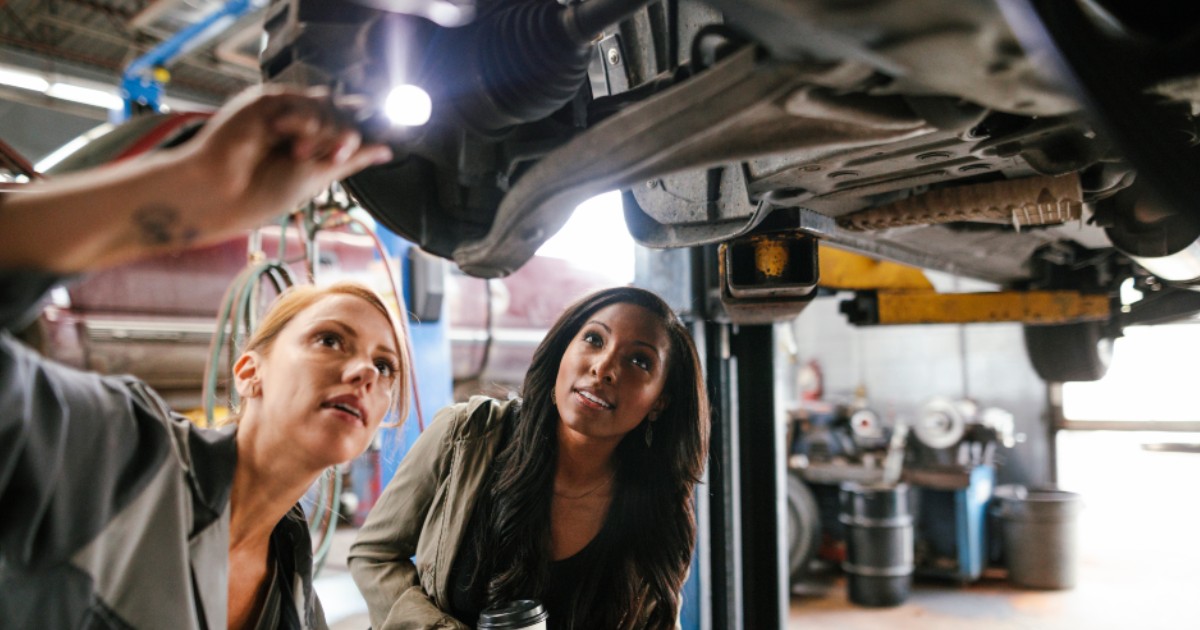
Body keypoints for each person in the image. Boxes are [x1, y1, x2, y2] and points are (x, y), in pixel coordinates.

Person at [0, 87, 401, 628]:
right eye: (330, 340)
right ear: (249, 373)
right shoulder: (125, 452)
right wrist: (190, 186)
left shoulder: (295, 599)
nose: (364, 373)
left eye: (385, 366)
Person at [350, 286, 710, 630]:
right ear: (563, 351)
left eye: (639, 360)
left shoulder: (658, 516)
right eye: (594, 339)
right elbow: (375, 555)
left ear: (660, 402)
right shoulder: (464, 436)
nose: (603, 367)